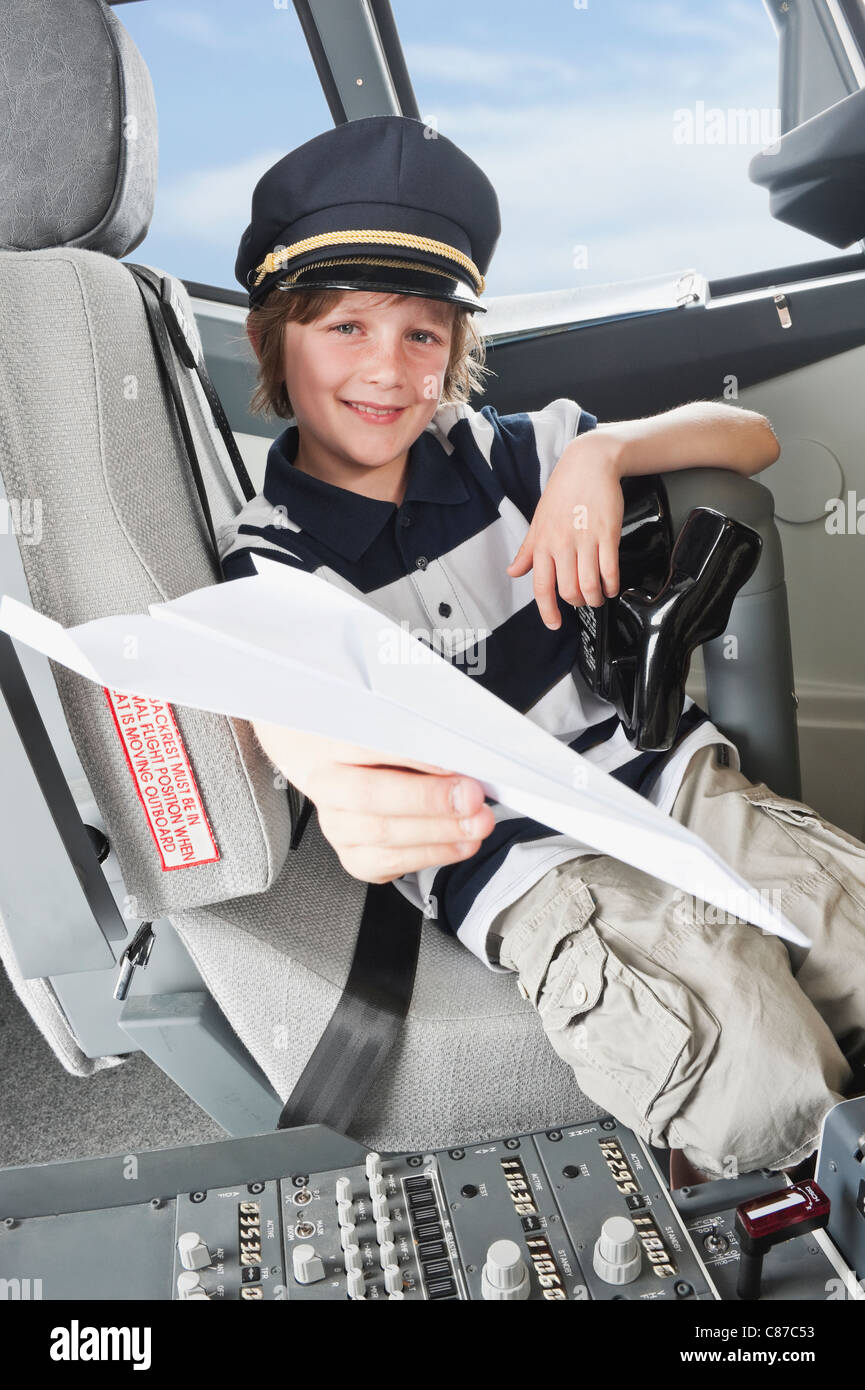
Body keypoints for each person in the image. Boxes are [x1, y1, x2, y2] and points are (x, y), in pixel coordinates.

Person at [225, 115, 865, 1186]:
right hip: (531, 862)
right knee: (758, 1084)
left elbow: (746, 437)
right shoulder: (276, 564)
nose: (386, 369)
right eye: (345, 327)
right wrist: (341, 794)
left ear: (454, 355)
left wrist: (601, 455)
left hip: (669, 784)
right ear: (273, 339)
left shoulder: (500, 453)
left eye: (423, 335)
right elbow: (284, 713)